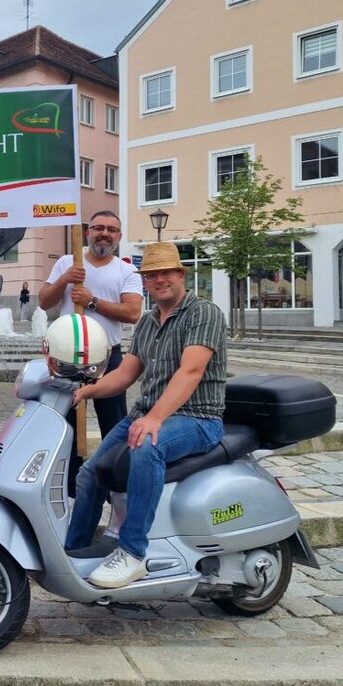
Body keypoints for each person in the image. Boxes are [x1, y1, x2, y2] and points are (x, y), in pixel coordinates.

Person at [63, 242, 227, 588]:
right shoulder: (150, 322)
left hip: (198, 418)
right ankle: (76, 551)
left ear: (181, 275)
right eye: (151, 275)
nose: (159, 280)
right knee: (90, 472)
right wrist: (85, 390)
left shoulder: (203, 312)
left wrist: (154, 419)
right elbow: (127, 374)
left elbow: (191, 371)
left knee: (147, 447)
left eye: (166, 273)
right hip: (149, 413)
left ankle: (132, 553)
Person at [38, 211, 143, 493]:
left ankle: (115, 484)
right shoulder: (67, 262)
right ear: (88, 232)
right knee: (66, 423)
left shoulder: (126, 271)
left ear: (119, 237)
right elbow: (44, 302)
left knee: (114, 422)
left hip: (109, 358)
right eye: (98, 228)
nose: (104, 234)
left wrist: (91, 301)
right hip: (67, 359)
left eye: (111, 229)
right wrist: (65, 280)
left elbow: (133, 312)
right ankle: (70, 484)